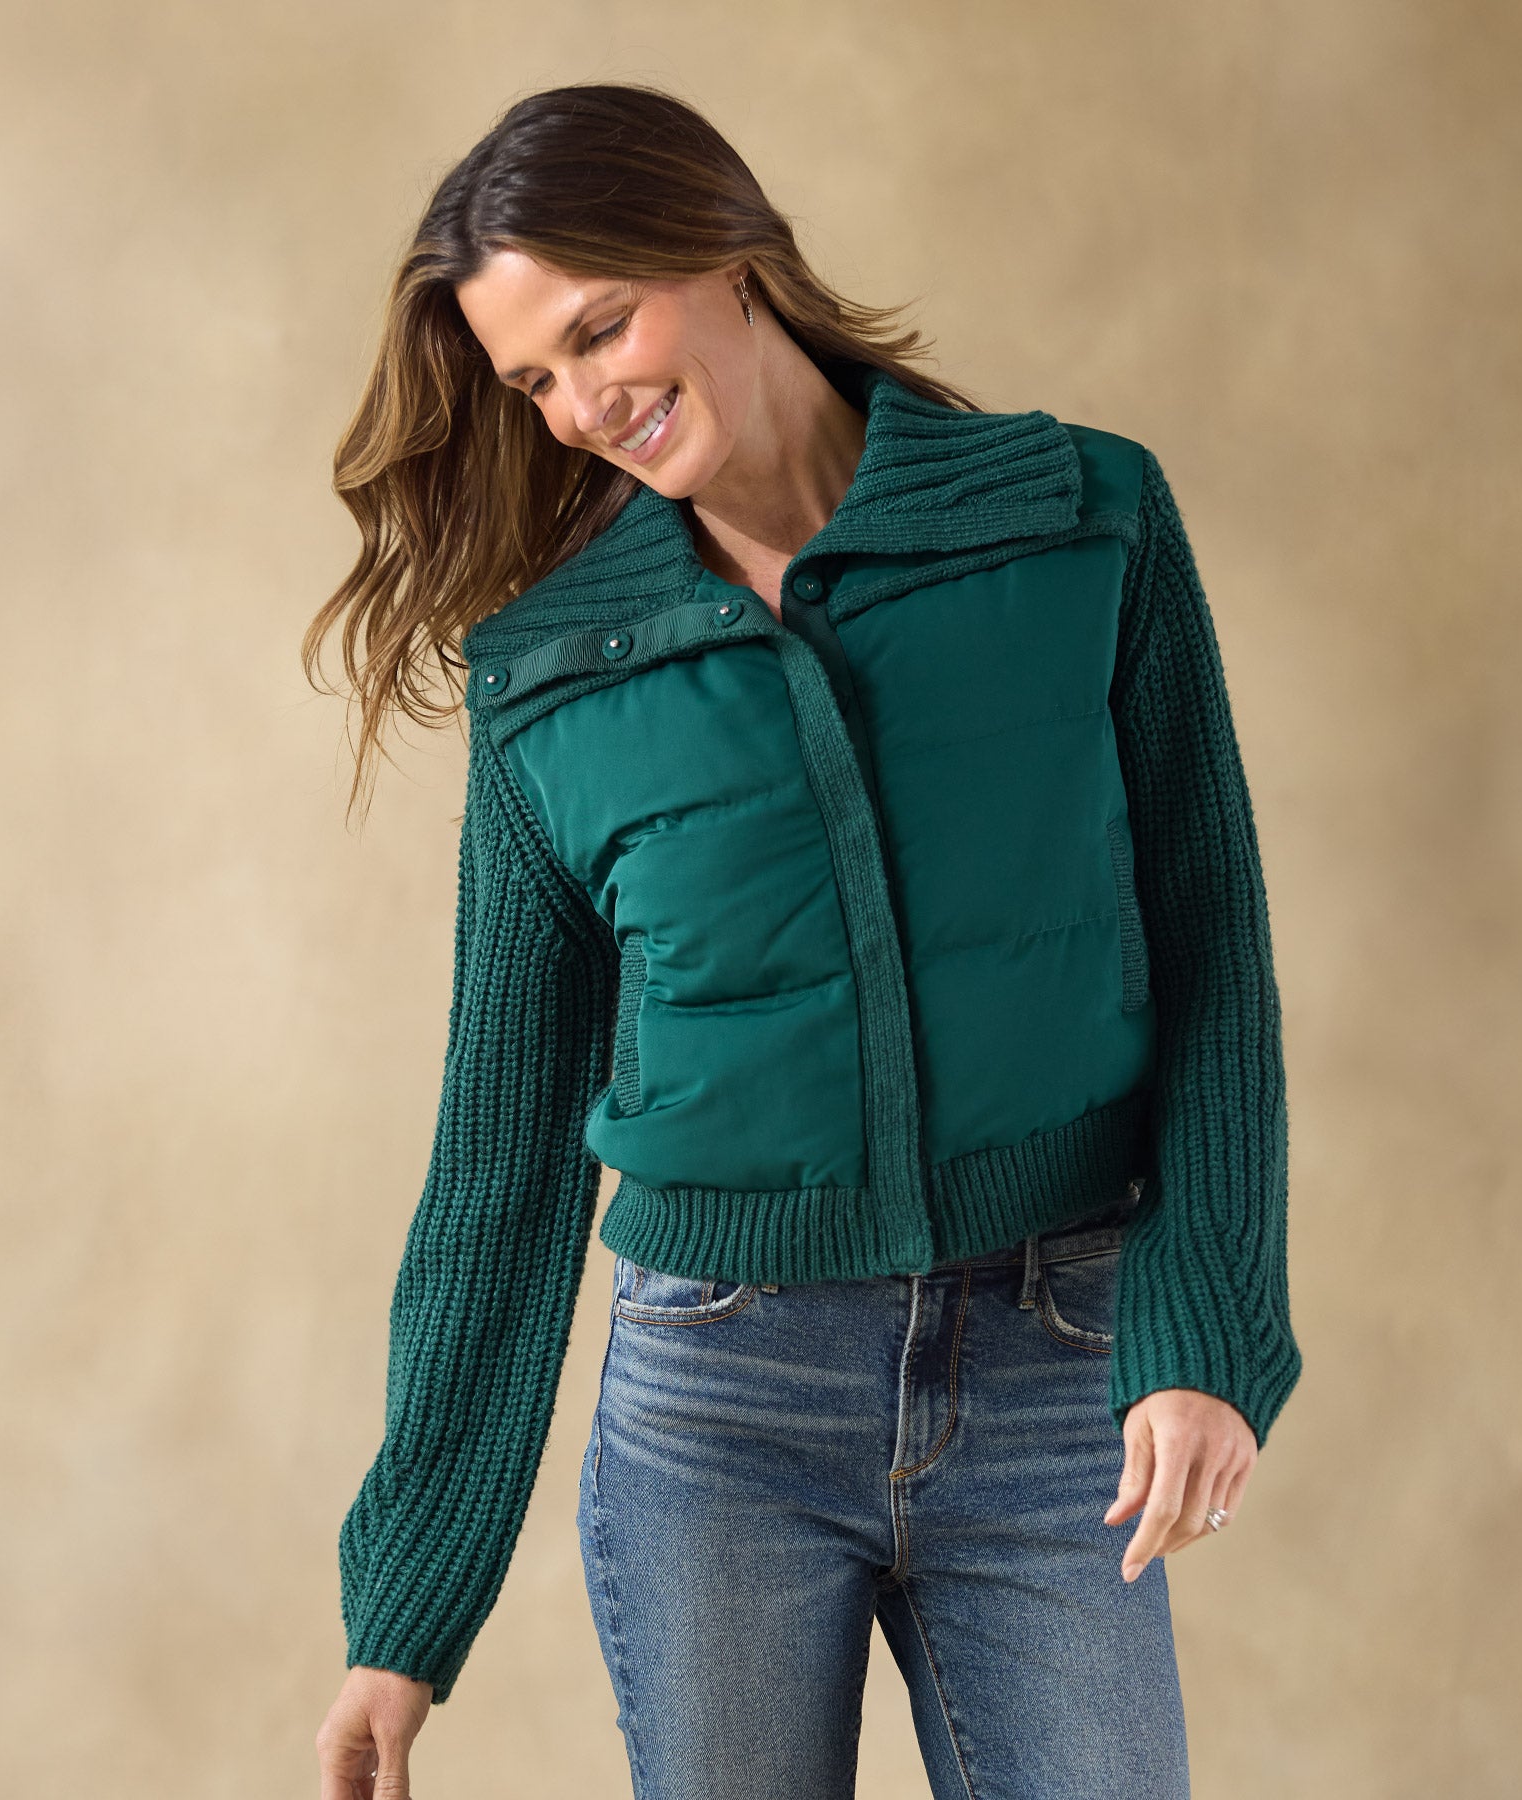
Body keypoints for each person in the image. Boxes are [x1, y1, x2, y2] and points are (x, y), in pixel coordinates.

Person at [310, 79, 1300, 1800]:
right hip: (721, 1413)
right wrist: (405, 1610)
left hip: (1058, 1363)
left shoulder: (1081, 522)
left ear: (728, 249)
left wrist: (1203, 1335)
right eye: (534, 381)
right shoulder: (555, 674)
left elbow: (1213, 949)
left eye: (599, 330)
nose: (583, 407)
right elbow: (502, 1153)